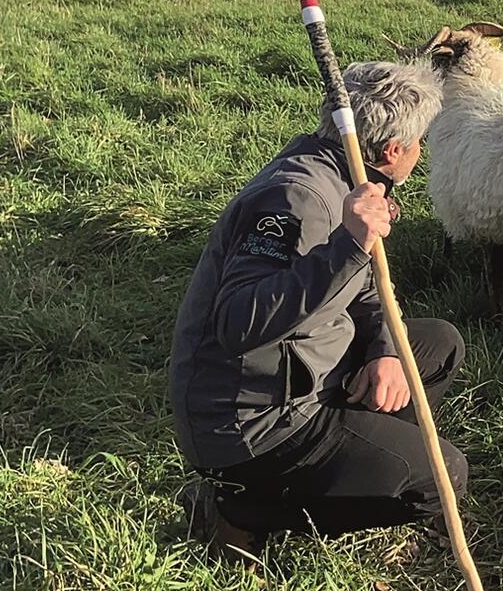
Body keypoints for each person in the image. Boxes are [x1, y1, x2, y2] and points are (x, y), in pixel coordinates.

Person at [169, 61, 464, 561]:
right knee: (443, 481)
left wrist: (383, 350)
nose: (421, 154)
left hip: (306, 367)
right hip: (253, 420)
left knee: (437, 343)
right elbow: (240, 323)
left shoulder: (349, 179)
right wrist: (349, 244)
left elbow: (364, 286)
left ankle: (360, 449)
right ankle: (242, 509)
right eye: (420, 144)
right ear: (394, 151)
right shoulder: (297, 198)